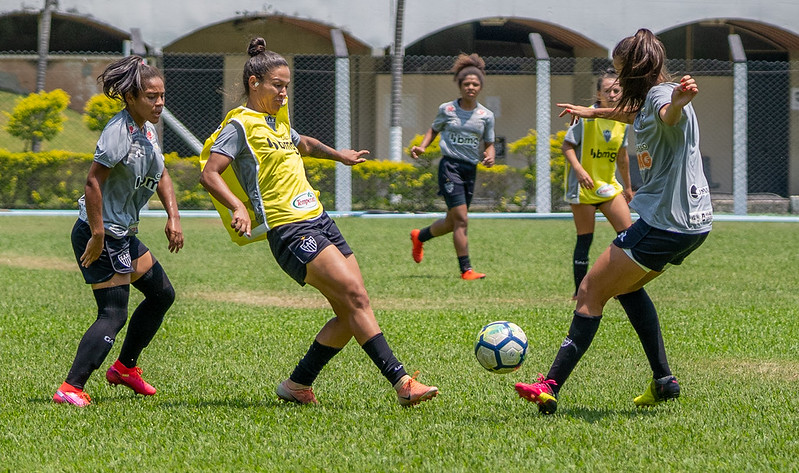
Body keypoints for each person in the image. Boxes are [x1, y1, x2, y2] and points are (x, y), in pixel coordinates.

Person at [199, 38, 438, 407]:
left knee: (351, 309)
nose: (283, 93)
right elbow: (210, 174)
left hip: (318, 218)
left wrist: (338, 156)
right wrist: (237, 207)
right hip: (288, 229)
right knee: (355, 298)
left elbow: (303, 144)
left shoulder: (276, 122)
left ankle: (297, 385)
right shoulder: (240, 125)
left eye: (287, 86)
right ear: (254, 83)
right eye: (277, 85)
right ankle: (402, 382)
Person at [515, 28, 712, 414]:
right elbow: (638, 112)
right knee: (627, 288)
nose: (617, 79)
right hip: (695, 225)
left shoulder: (662, 97)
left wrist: (678, 102)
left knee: (590, 291)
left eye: (621, 71)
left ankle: (549, 385)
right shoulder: (657, 93)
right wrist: (592, 112)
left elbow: (665, 114)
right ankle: (663, 381)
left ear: (635, 71)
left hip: (662, 224)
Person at [54, 56, 184, 407]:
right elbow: (93, 180)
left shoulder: (148, 130)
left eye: (162, 96)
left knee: (161, 294)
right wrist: (97, 234)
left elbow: (163, 173)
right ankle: (71, 388)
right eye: (151, 97)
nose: (159, 103)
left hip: (121, 234)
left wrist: (173, 216)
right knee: (113, 312)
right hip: (100, 234)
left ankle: (125, 368)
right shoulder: (119, 131)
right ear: (130, 98)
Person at [409, 53, 496, 280]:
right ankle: (466, 270)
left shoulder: (486, 115)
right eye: (466, 83)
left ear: (480, 87)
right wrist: (422, 147)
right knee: (462, 220)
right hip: (450, 168)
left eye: (475, 84)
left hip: (470, 169)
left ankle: (420, 236)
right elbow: (434, 130)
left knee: (451, 221)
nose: (471, 87)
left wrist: (490, 155)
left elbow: (489, 143)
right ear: (460, 85)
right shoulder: (447, 110)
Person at [562, 68, 633, 299]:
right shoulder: (586, 116)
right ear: (598, 94)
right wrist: (580, 170)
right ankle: (578, 292)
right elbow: (567, 146)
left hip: (609, 186)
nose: (612, 94)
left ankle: (626, 286)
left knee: (630, 235)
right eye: (607, 91)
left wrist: (629, 187)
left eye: (616, 90)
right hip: (583, 188)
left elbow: (622, 156)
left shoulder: (623, 119)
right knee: (585, 238)